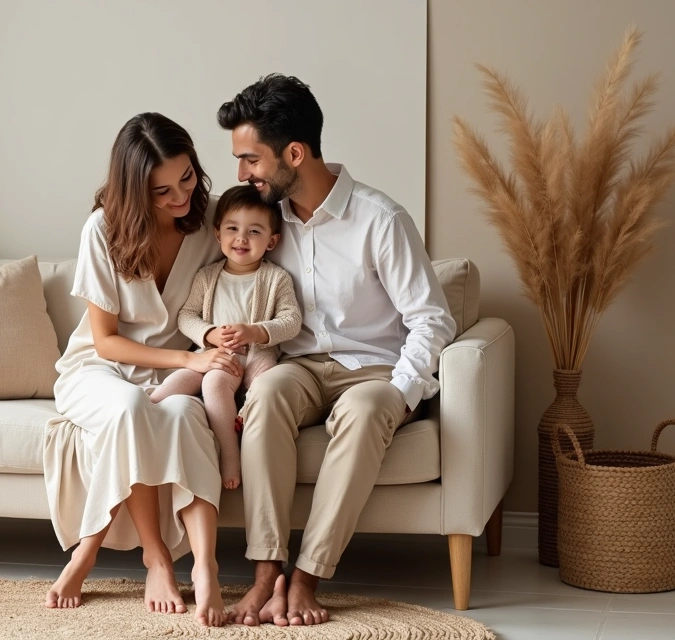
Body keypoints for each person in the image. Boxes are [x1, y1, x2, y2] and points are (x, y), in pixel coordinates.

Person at [218, 74, 457, 627]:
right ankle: (264, 576)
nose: (241, 174)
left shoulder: (381, 220)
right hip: (299, 368)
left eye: (250, 159)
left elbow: (430, 319)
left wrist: (401, 393)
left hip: (373, 370)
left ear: (294, 153)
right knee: (269, 392)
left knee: (369, 406)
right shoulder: (264, 220)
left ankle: (306, 578)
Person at [42, 112, 234, 627]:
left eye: (187, 178)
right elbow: (104, 341)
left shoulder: (213, 221)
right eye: (162, 191)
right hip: (99, 370)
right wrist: (186, 358)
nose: (181, 199)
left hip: (174, 379)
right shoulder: (102, 230)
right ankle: (151, 558)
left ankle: (203, 568)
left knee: (182, 420)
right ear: (133, 191)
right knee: (130, 408)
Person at [149, 185, 301, 490]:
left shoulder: (276, 278)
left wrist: (256, 331)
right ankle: (148, 408)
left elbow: (292, 320)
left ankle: (237, 439)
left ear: (272, 241)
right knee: (191, 381)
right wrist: (210, 334)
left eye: (254, 231)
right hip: (217, 356)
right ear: (218, 234)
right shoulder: (207, 276)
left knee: (265, 388)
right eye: (232, 228)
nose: (241, 238)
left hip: (259, 356)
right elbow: (186, 315)